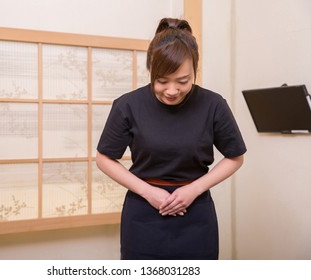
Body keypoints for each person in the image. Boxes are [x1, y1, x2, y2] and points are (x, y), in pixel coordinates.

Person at [96, 17, 246, 260]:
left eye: (183, 81)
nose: (172, 90)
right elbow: (104, 158)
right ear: (151, 70)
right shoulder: (128, 105)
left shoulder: (213, 104)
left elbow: (235, 156)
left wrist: (194, 189)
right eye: (162, 81)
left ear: (194, 70)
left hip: (195, 211)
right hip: (143, 214)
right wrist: (148, 192)